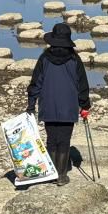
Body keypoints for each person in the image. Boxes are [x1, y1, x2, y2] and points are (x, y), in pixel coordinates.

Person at [26, 23, 91, 186]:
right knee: (64, 140)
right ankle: (61, 175)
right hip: (68, 106)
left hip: (48, 105)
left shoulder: (44, 58)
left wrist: (31, 105)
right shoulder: (74, 58)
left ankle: (52, 173)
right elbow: (82, 84)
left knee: (51, 139)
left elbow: (36, 83)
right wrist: (85, 106)